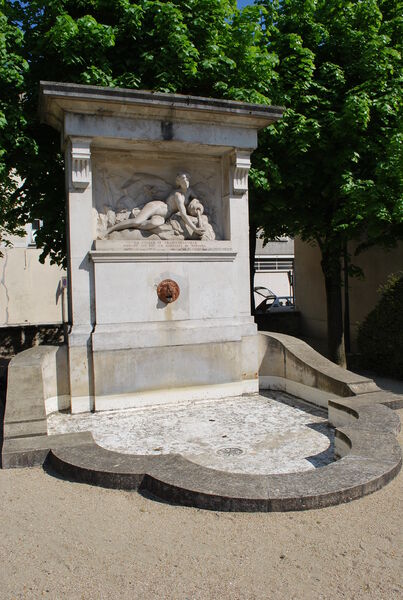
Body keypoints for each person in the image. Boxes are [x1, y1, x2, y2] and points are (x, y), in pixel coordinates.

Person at [107, 172, 205, 236]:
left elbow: (196, 200)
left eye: (187, 179)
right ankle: (110, 230)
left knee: (155, 223)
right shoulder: (177, 195)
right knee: (137, 221)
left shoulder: (190, 191)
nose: (186, 181)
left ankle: (131, 226)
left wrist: (196, 204)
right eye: (183, 179)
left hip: (164, 217)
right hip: (158, 207)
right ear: (178, 182)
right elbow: (183, 213)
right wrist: (195, 229)